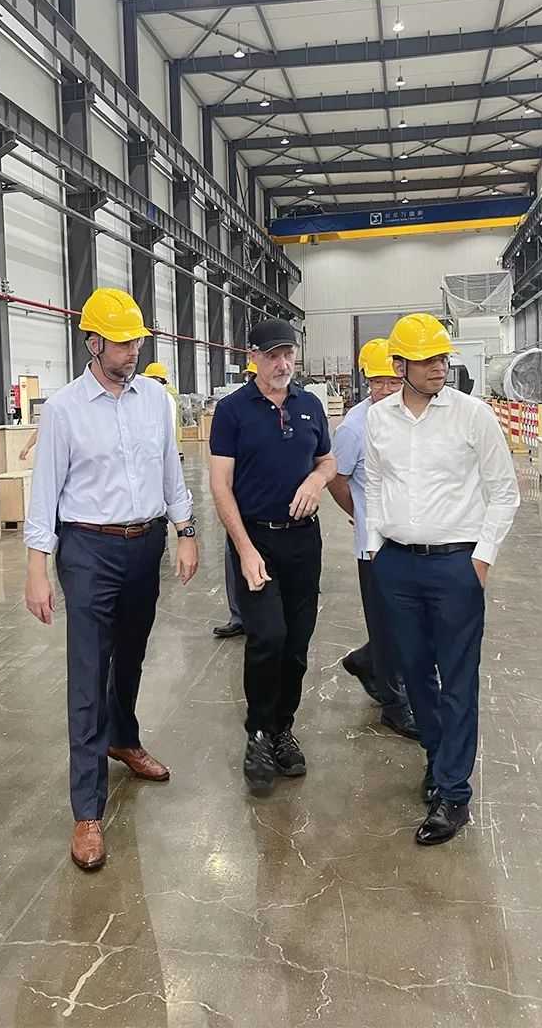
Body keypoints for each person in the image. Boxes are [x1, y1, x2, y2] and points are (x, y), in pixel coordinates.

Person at [23, 288, 198, 872]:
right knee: (88, 671)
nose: (131, 350)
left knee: (131, 655)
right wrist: (37, 567)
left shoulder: (156, 401)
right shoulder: (65, 409)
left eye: (136, 341)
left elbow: (170, 468)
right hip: (88, 549)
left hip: (144, 544)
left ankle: (123, 738)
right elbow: (45, 491)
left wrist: (185, 529)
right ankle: (87, 810)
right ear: (93, 343)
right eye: (121, 342)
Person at [365, 313, 519, 846]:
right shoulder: (379, 419)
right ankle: (437, 758)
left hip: (457, 566)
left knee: (458, 678)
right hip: (397, 565)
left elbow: (504, 491)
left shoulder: (473, 416)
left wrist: (482, 558)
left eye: (442, 358)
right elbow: (374, 482)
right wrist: (376, 546)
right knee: (414, 673)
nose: (438, 368)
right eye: (426, 360)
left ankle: (454, 793)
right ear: (399, 366)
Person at [209, 319, 336, 793]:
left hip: (303, 543)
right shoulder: (232, 411)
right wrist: (244, 549)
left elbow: (327, 459)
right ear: (254, 357)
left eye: (289, 354)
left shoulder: (310, 405)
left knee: (297, 644)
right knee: (267, 637)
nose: (283, 364)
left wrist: (317, 480)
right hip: (256, 540)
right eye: (273, 355)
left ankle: (283, 728)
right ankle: (258, 734)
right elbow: (220, 485)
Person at [328, 339, 417, 739]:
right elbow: (337, 479)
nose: (384, 389)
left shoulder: (409, 416)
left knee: (406, 623)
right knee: (387, 625)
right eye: (376, 381)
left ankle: (366, 660)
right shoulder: (353, 427)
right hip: (375, 546)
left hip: (412, 538)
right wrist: (359, 513)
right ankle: (394, 707)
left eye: (391, 381)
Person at [212, 363, 256, 641]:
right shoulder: (234, 409)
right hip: (242, 504)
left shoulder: (293, 404)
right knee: (235, 558)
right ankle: (239, 616)